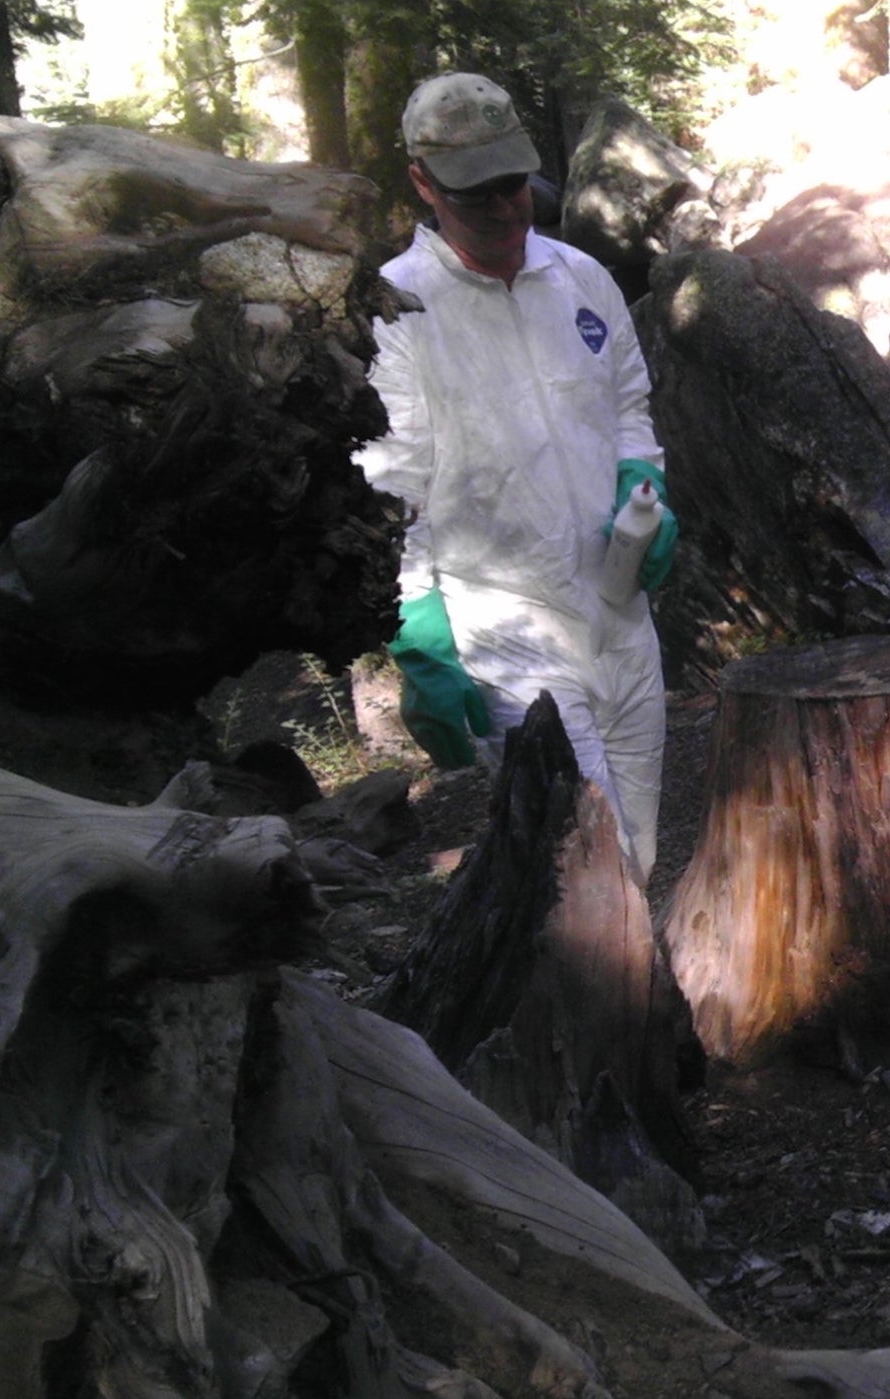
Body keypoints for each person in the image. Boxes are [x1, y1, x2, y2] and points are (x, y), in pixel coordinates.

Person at [358, 72, 677, 883]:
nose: (504, 210)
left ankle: (640, 1001)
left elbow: (626, 402)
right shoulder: (400, 310)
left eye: (513, 185)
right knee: (583, 858)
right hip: (504, 624)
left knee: (639, 849)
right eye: (476, 195)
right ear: (424, 183)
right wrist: (418, 630)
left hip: (616, 601)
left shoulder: (579, 277)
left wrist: (642, 478)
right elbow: (391, 483)